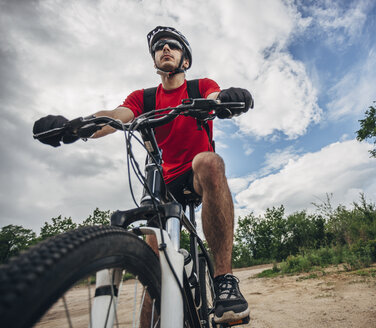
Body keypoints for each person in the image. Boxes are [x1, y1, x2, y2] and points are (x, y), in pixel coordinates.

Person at [33, 26, 253, 324]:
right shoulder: (144, 98)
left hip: (195, 174)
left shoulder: (199, 86)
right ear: (154, 62)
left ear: (184, 61)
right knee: (155, 277)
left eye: (173, 46)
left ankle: (224, 279)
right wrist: (75, 128)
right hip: (163, 182)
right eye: (159, 47)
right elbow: (116, 116)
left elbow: (215, 96)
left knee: (210, 161)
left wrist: (225, 99)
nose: (165, 49)